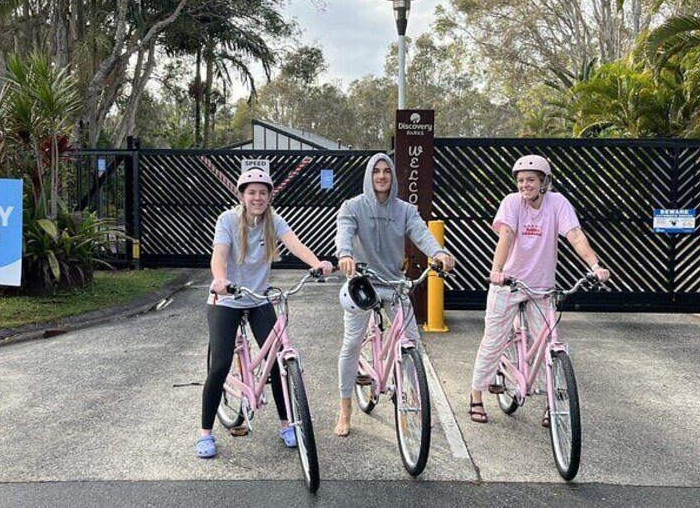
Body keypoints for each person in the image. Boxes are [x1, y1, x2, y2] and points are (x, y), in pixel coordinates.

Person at [196, 168, 333, 458]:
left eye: (263, 192)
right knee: (220, 364)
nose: (257, 197)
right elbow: (218, 255)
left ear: (270, 196)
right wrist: (219, 280)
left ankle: (286, 424)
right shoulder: (228, 220)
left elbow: (296, 246)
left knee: (277, 361)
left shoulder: (274, 221)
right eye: (251, 192)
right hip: (226, 299)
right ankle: (205, 433)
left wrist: (317, 263)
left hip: (258, 299)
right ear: (242, 196)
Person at [468, 154, 610, 425]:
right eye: (521, 180)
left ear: (544, 182)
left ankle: (551, 403)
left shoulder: (558, 203)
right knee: (493, 340)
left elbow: (575, 235)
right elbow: (506, 235)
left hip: (541, 287)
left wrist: (595, 265)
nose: (524, 185)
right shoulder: (512, 202)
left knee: (548, 343)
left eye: (531, 180)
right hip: (508, 284)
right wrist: (497, 270)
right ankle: (476, 395)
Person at [334, 153, 456, 437]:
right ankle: (345, 406)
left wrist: (438, 252)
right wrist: (345, 254)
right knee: (352, 343)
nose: (381, 176)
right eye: (376, 171)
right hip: (362, 283)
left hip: (394, 282)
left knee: (411, 341)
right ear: (369, 175)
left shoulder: (405, 209)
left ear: (393, 176)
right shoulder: (352, 206)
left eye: (386, 171)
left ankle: (412, 399)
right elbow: (344, 232)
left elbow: (421, 233)